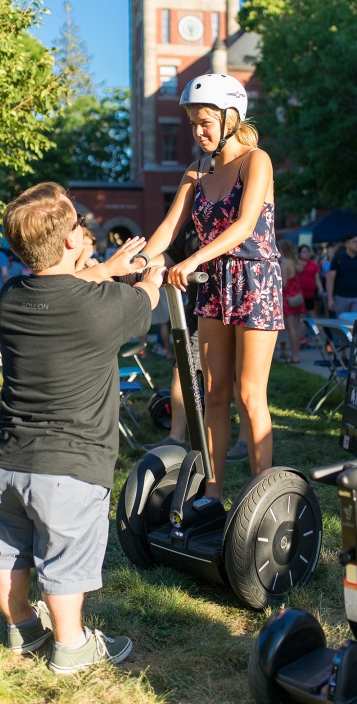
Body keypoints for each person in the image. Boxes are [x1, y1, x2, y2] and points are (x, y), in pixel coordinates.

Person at [0, 181, 163, 675]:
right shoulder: (103, 307)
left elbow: (60, 286)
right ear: (67, 243)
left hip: (7, 464)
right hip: (71, 469)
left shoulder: (10, 298)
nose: (85, 233)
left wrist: (103, 269)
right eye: (79, 227)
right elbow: (146, 298)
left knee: (8, 551)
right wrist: (155, 269)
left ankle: (22, 628)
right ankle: (71, 646)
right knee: (64, 564)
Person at [135, 73, 283, 503]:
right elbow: (166, 230)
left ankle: (262, 499)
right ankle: (213, 495)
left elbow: (244, 226)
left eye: (205, 122)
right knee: (212, 392)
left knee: (249, 392)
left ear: (230, 117)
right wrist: (140, 262)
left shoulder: (257, 161)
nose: (197, 132)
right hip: (215, 284)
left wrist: (194, 257)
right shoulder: (196, 172)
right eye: (193, 124)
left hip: (255, 280)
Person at [143, 216, 248, 460]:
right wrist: (142, 263)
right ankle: (176, 438)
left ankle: (244, 439)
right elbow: (172, 255)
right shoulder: (192, 222)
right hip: (198, 310)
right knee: (182, 369)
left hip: (236, 308)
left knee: (236, 377)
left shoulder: (235, 214)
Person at [325, 234, 357, 316]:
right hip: (341, 296)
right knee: (342, 323)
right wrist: (330, 298)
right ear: (346, 243)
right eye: (354, 242)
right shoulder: (338, 258)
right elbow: (331, 279)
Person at [279, 239, 305, 364]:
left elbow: (283, 283)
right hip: (298, 297)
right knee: (296, 326)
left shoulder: (285, 264)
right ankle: (297, 354)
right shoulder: (296, 263)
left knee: (291, 328)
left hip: (288, 298)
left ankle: (294, 356)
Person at [297, 244, 323, 316]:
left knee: (311, 310)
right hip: (299, 292)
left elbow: (317, 277)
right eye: (304, 252)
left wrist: (320, 288)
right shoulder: (296, 264)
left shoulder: (313, 264)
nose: (307, 253)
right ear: (299, 254)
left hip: (311, 293)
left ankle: (313, 326)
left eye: (308, 251)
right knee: (301, 312)